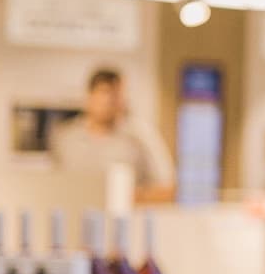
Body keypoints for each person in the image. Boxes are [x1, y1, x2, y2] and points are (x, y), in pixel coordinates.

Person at [49, 68, 175, 204]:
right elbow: (53, 186)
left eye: (117, 95)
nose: (111, 101)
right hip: (74, 219)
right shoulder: (66, 137)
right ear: (89, 96)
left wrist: (126, 197)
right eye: (105, 93)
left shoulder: (142, 137)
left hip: (124, 221)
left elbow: (167, 189)